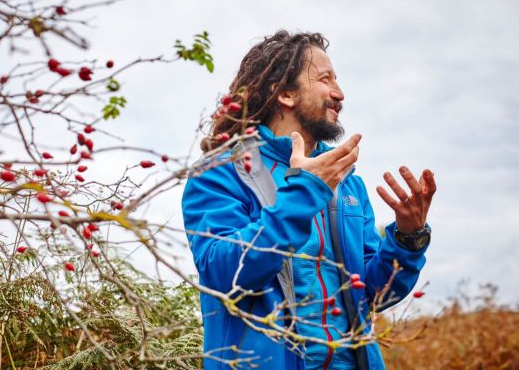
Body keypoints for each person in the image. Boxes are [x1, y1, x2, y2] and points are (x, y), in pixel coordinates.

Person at [181, 30, 436, 370]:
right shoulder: (222, 172)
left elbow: (373, 293)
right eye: (325, 79)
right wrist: (304, 192)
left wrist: (408, 237)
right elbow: (222, 272)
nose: (339, 93)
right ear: (285, 93)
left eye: (337, 80)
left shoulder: (346, 183)